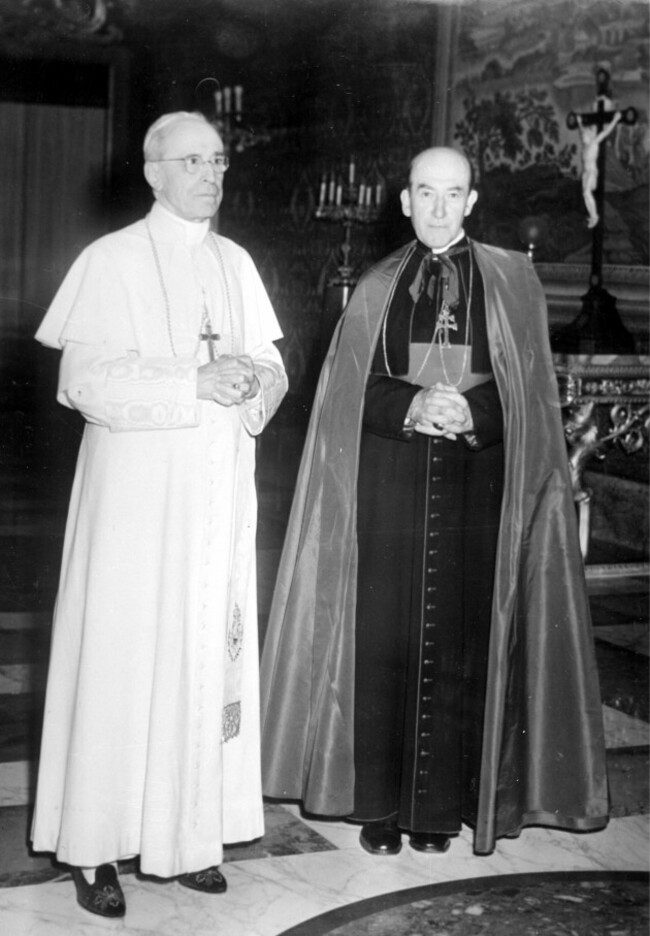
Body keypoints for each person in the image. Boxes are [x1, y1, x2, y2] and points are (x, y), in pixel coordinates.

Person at [259, 147, 608, 858]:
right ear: (404, 200)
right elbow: (346, 397)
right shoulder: (377, 286)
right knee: (385, 643)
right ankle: (381, 808)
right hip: (391, 480)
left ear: (473, 201)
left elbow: (533, 401)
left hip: (482, 486)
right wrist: (416, 404)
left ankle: (438, 813)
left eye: (453, 194)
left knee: (463, 645)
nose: (439, 207)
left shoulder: (514, 280)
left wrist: (474, 413)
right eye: (426, 192)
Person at [31, 111, 288, 917]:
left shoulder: (236, 261)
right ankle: (95, 849)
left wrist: (253, 381)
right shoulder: (108, 261)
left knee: (199, 660)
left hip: (215, 501)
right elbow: (84, 382)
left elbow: (273, 363)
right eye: (191, 162)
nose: (210, 175)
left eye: (217, 161)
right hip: (137, 509)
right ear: (152, 173)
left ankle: (186, 838)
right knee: (122, 665)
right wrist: (192, 383)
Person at [577, 108, 621, 228]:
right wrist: (580, 123)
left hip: (592, 172)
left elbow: (606, 132)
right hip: (586, 173)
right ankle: (592, 216)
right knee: (585, 195)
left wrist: (615, 119)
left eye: (585, 134)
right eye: (583, 134)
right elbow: (581, 131)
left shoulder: (594, 143)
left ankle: (595, 216)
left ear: (591, 135)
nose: (583, 135)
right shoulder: (585, 145)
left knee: (587, 192)